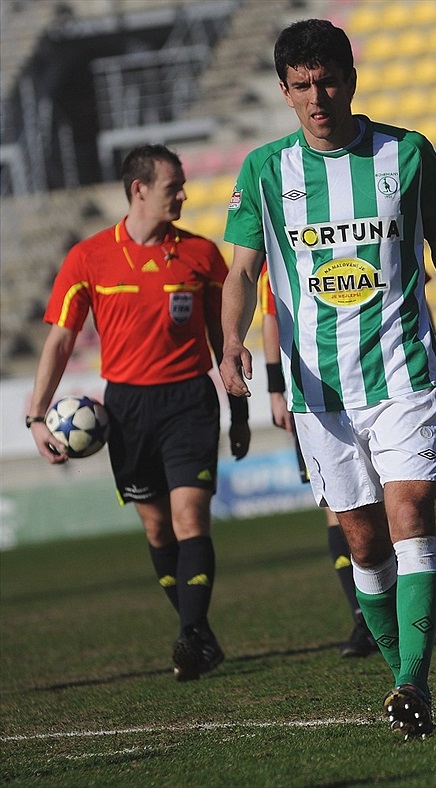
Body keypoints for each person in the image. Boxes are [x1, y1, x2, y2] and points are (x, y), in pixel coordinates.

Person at [219, 19, 436, 739]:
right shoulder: (264, 171)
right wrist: (231, 342)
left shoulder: (408, 153)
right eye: (301, 86)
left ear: (351, 79)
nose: (317, 98)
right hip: (321, 392)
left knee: (412, 514)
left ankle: (413, 682)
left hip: (405, 371)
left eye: (328, 81)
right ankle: (403, 677)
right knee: (364, 545)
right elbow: (241, 273)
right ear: (283, 91)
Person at [27, 143, 250, 682]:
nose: (184, 195)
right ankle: (200, 635)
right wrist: (36, 416)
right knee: (157, 531)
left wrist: (239, 411)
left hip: (189, 401)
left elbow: (224, 338)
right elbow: (60, 340)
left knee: (190, 517)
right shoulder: (89, 257)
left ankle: (190, 636)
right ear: (139, 190)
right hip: (127, 408)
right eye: (174, 187)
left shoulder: (201, 255)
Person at [259, 262, 378, 658]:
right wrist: (275, 390)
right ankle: (364, 618)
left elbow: (410, 288)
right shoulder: (280, 250)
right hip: (315, 396)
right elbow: (271, 317)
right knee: (340, 508)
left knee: (390, 502)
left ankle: (393, 608)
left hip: (381, 382)